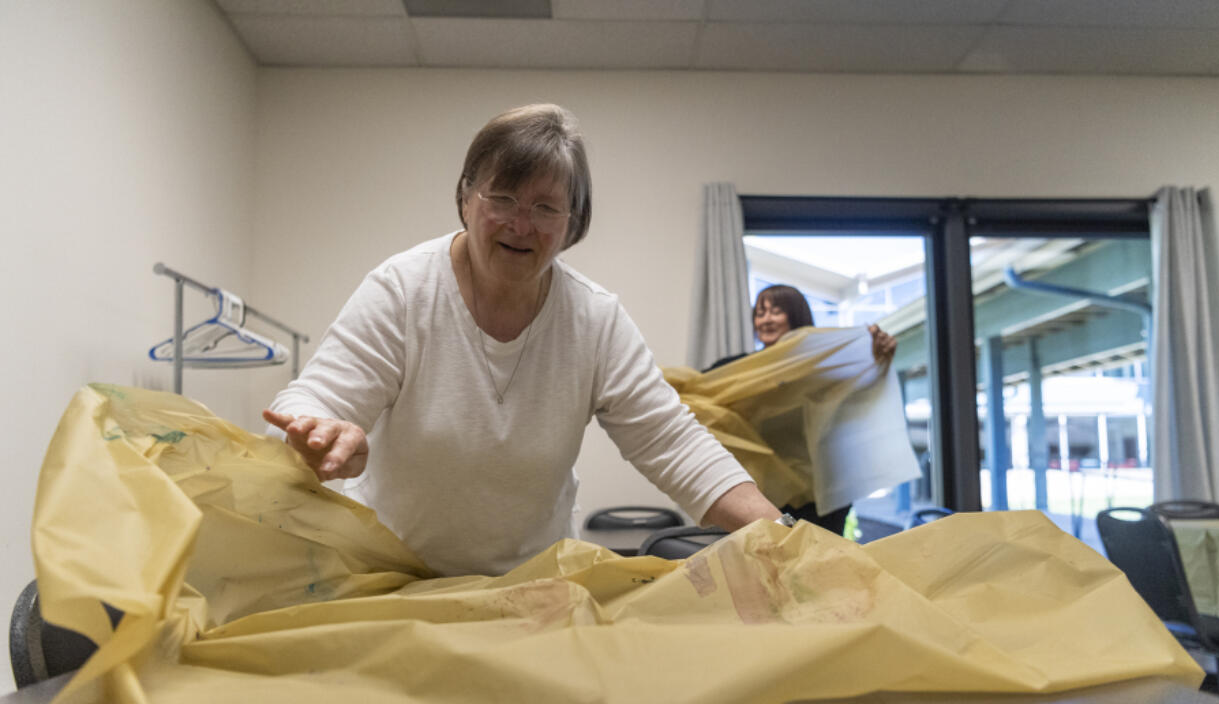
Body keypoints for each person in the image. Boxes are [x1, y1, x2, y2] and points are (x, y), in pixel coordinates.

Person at [262, 103, 781, 576]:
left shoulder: (594, 319)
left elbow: (673, 443)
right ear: (466, 197)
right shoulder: (404, 289)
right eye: (503, 198)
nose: (521, 224)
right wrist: (321, 433)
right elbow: (313, 399)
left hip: (534, 586)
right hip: (397, 576)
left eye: (546, 208)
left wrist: (779, 536)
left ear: (573, 223)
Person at [704, 284, 898, 536]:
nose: (766, 320)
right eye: (760, 313)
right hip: (760, 494)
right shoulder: (734, 370)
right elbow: (699, 397)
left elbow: (858, 396)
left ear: (796, 316)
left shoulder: (825, 369)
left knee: (817, 564)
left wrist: (873, 352)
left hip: (819, 496)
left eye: (776, 311)